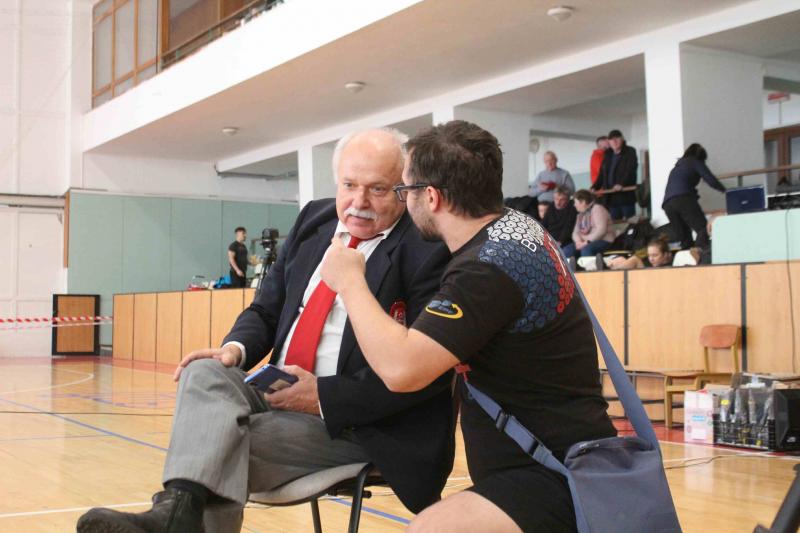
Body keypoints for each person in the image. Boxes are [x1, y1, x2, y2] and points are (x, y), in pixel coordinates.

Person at [76, 129, 456, 533]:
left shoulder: (427, 249)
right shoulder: (314, 220)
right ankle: (177, 519)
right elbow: (266, 308)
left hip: (357, 423)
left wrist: (322, 396)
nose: (359, 202)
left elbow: (425, 372)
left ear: (403, 190)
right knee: (204, 372)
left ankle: (174, 517)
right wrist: (234, 349)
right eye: (349, 185)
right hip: (279, 390)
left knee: (222, 440)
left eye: (377, 189)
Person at [320, 120, 616, 532]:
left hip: (554, 474)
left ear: (431, 196)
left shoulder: (487, 269)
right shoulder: (513, 229)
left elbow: (402, 369)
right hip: (561, 459)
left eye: (404, 191)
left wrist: (351, 282)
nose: (403, 201)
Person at [662, 143, 725, 264]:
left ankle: (688, 264)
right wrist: (725, 190)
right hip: (683, 199)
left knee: (685, 238)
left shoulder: (678, 166)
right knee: (702, 228)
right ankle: (701, 259)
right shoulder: (694, 161)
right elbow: (710, 179)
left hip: (668, 204)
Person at [594, 129, 638, 220]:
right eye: (611, 139)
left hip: (625, 195)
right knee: (615, 224)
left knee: (631, 222)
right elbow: (602, 174)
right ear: (609, 142)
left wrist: (621, 184)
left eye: (617, 138)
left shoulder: (630, 151)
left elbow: (630, 170)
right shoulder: (608, 154)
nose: (614, 141)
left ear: (622, 139)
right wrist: (595, 187)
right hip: (611, 197)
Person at [562, 189, 614, 259]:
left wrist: (587, 242)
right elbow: (575, 232)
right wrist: (578, 242)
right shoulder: (580, 214)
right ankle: (571, 266)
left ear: (583, 202)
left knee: (586, 250)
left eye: (575, 202)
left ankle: (590, 266)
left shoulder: (597, 209)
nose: (574, 205)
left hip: (603, 240)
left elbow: (601, 231)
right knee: (567, 250)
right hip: (584, 241)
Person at [604, 234, 674, 270]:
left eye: (655, 255)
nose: (651, 259)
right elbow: (637, 254)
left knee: (635, 259)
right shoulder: (651, 261)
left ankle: (612, 269)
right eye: (649, 255)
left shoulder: (674, 265)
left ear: (665, 254)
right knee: (623, 259)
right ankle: (610, 268)